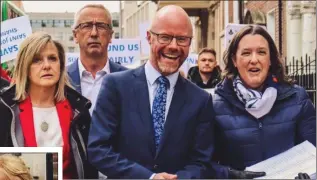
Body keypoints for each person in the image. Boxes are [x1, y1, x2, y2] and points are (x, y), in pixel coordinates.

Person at [88, 5, 215, 179]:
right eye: (165, 37)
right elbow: (98, 150)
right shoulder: (115, 86)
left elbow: (202, 162)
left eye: (182, 39)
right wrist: (148, 177)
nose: (173, 46)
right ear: (149, 37)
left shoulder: (201, 100)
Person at [211, 25, 316, 179]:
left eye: (261, 52)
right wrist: (229, 175)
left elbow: (313, 152)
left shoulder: (298, 98)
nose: (254, 60)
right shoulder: (215, 106)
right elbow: (204, 163)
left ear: (271, 59)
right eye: (246, 53)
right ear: (234, 60)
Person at [0, 32, 98, 179]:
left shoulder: (78, 109)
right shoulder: (5, 110)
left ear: (61, 65)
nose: (46, 66)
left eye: (52, 58)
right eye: (37, 60)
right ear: (25, 67)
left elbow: (90, 166)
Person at [67, 4, 127, 115]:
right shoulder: (62, 80)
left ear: (110, 36)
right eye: (87, 26)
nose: (94, 33)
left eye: (101, 26)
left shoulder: (129, 79)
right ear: (75, 35)